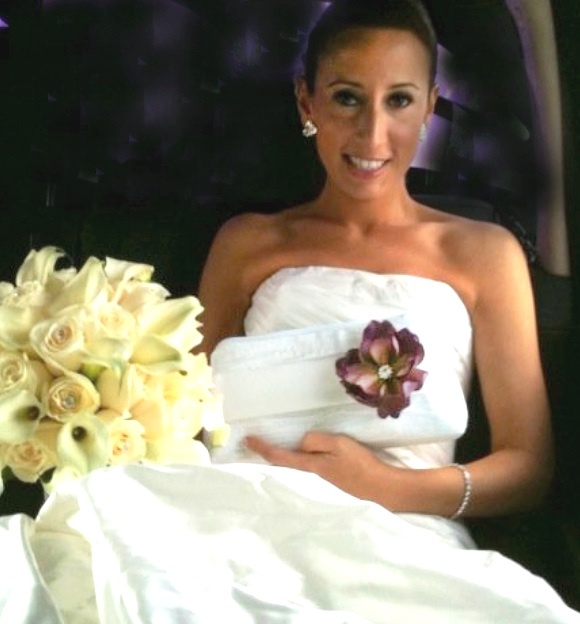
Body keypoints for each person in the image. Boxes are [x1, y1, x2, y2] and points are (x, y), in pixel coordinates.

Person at [197, 0, 554, 521]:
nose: (372, 134)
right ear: (306, 102)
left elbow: (528, 467)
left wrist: (384, 487)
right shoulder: (247, 244)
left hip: (401, 539)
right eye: (347, 98)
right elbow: (179, 418)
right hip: (240, 521)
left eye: (400, 101)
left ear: (429, 107)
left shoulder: (486, 255)